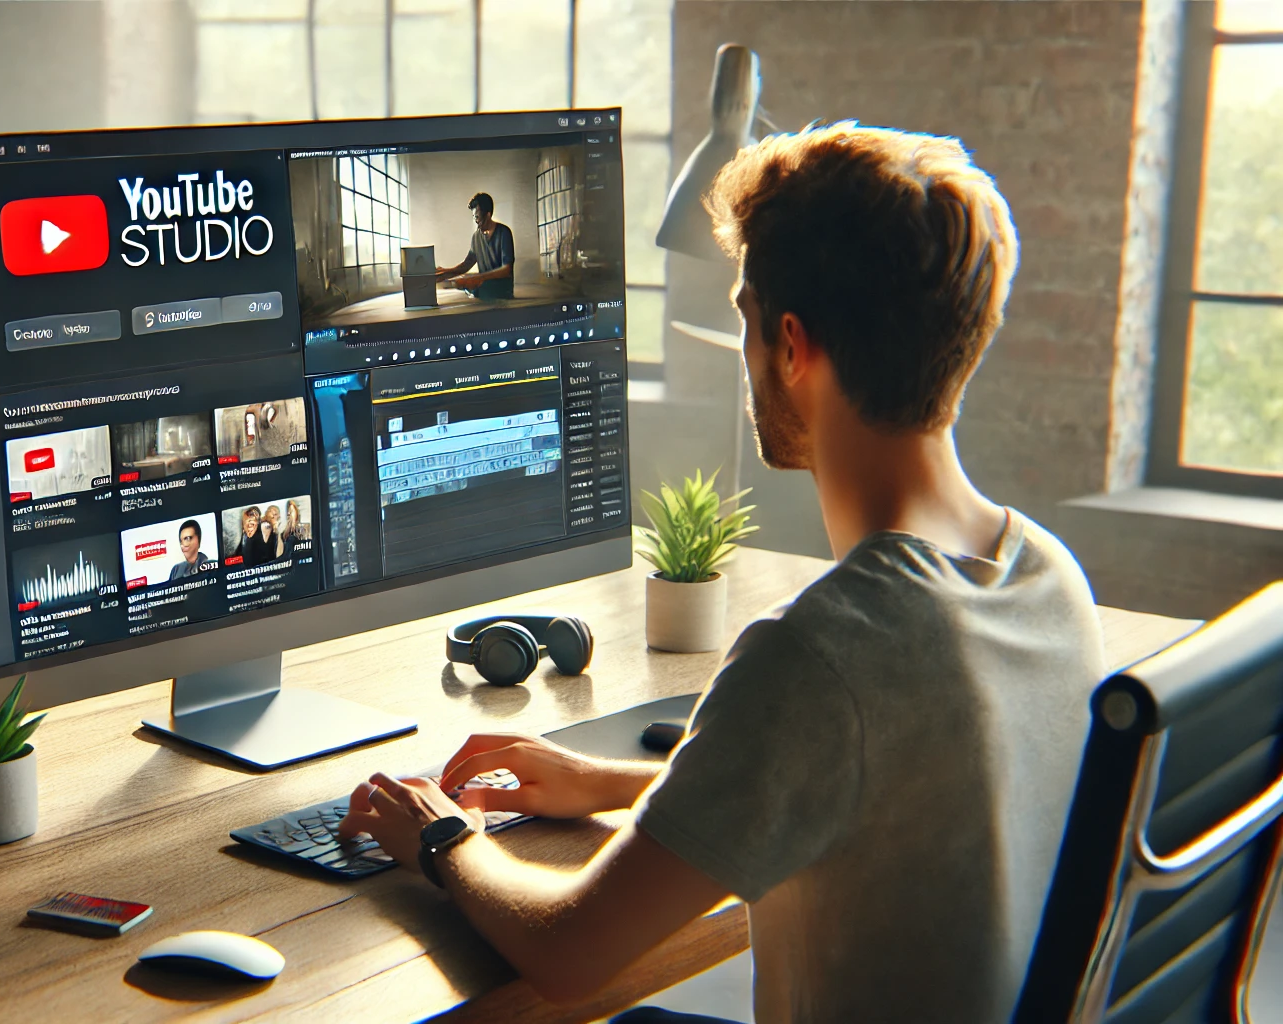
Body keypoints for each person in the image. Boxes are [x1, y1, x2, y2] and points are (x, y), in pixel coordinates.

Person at [336, 122, 1106, 1024]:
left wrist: (437, 834)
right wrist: (617, 783)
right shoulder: (1048, 575)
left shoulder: (820, 655)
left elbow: (569, 951)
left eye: (742, 317)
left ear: (791, 346)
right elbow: (896, 792)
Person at [435, 192, 514, 300]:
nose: (476, 221)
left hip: (502, 291)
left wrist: (476, 278)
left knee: (470, 288)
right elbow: (467, 264)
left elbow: (507, 269)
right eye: (474, 217)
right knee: (464, 286)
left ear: (488, 215)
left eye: (478, 217)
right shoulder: (476, 237)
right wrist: (446, 272)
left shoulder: (504, 232)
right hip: (484, 287)